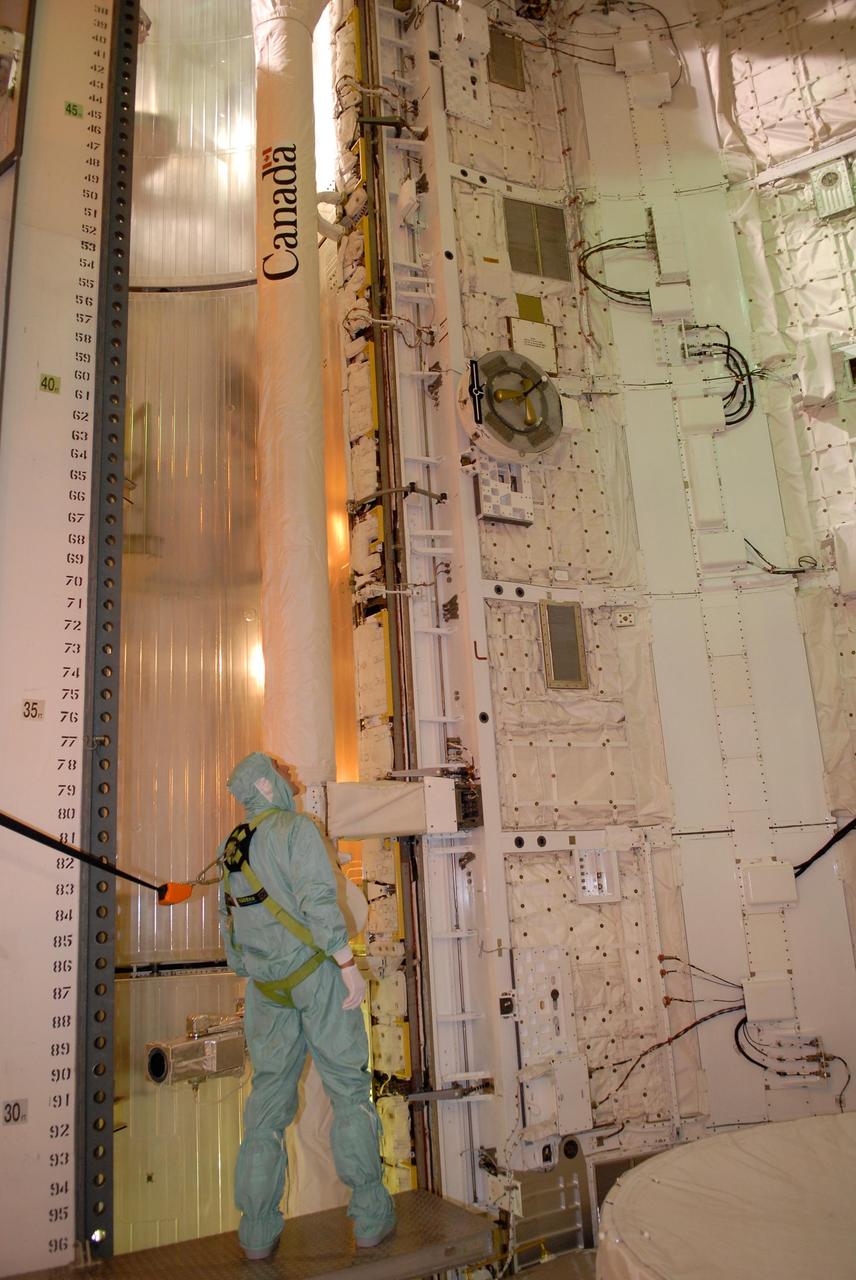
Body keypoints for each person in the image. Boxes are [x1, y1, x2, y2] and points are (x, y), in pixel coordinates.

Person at [218, 751, 396, 1261]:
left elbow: (227, 924)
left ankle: (256, 1232)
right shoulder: (296, 831)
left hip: (265, 989)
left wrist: (250, 969)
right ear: (270, 788)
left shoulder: (233, 844)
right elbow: (320, 900)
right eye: (282, 774)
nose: (289, 778)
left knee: (266, 1108)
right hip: (316, 974)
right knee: (348, 1091)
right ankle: (369, 1216)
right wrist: (345, 964)